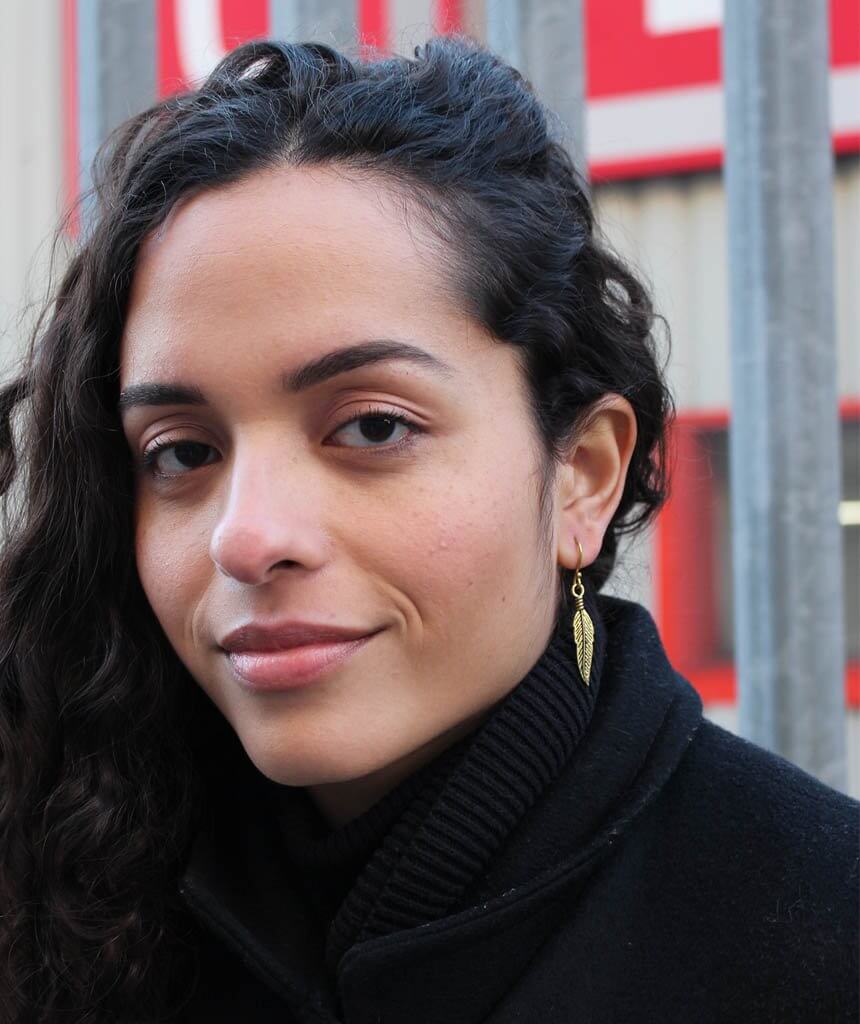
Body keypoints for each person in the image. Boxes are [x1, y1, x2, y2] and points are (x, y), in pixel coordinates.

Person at [0, 35, 856, 1024]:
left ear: (579, 475)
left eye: (371, 427)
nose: (245, 535)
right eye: (184, 452)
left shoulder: (818, 936)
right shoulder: (74, 897)